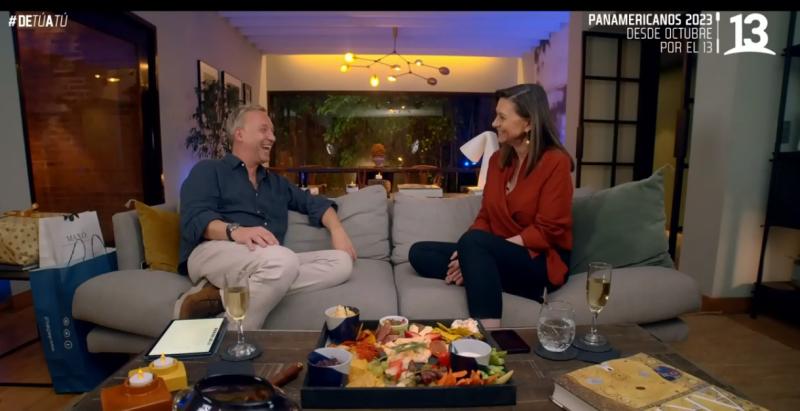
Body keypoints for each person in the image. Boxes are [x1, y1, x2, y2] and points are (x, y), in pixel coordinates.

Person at [175, 104, 356, 330]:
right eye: (264, 130)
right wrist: (236, 231)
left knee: (341, 263)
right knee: (283, 260)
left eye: (272, 131)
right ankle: (230, 337)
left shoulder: (276, 183)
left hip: (267, 260)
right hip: (213, 249)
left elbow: (315, 203)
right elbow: (195, 217)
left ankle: (217, 297)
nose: (272, 137)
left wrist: (337, 230)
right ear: (239, 134)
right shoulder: (209, 170)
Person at [408, 83, 574, 329]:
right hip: (497, 253)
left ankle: (490, 335)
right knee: (420, 252)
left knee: (473, 244)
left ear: (528, 123)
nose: (494, 123)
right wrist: (470, 256)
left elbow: (548, 231)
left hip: (538, 259)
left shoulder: (555, 163)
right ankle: (486, 272)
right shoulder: (498, 160)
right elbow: (485, 216)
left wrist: (478, 251)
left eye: (502, 117)